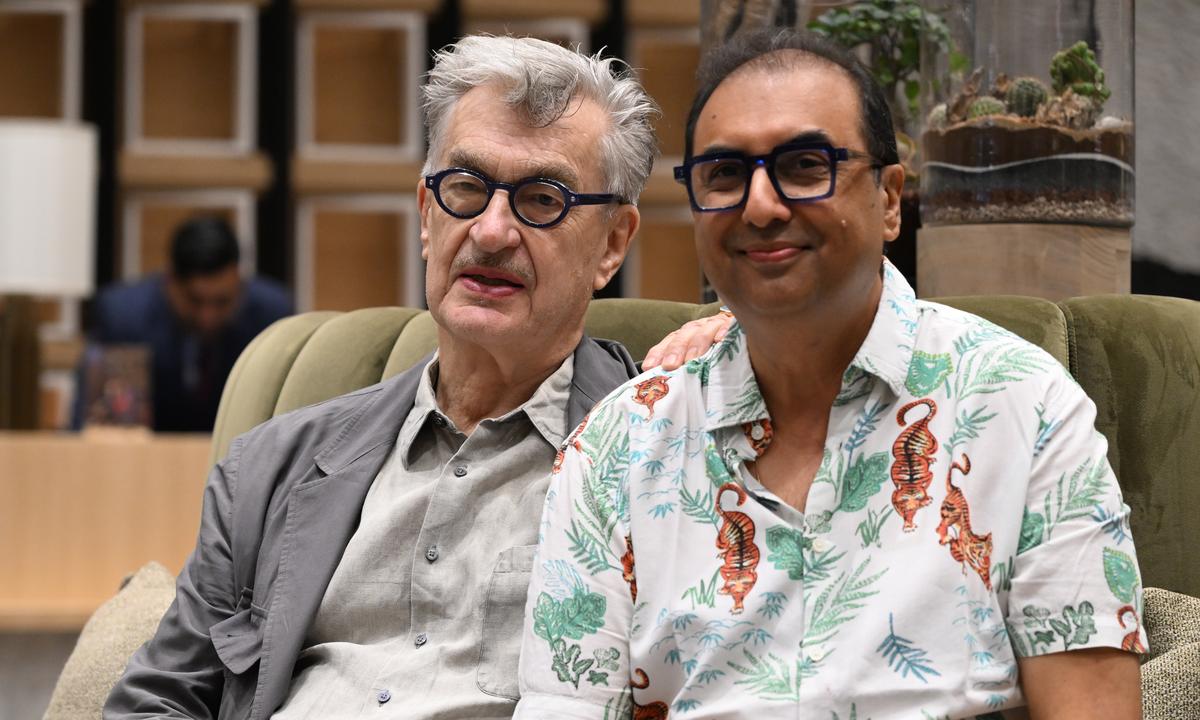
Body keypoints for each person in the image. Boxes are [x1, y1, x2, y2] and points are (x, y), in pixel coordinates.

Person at [515, 28, 1146, 719]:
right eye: (724, 175)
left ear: (890, 200)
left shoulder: (1025, 410)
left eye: (805, 165)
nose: (760, 206)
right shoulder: (615, 448)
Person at [104, 36, 730, 719]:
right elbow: (157, 700)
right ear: (428, 215)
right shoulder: (269, 471)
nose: (491, 232)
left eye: (542, 199)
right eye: (465, 188)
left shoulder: (667, 453)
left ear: (612, 243)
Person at [77, 216, 293, 431]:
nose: (207, 316)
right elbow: (106, 427)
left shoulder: (273, 318)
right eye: (195, 301)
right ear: (169, 280)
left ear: (239, 279)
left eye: (222, 302)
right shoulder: (123, 317)